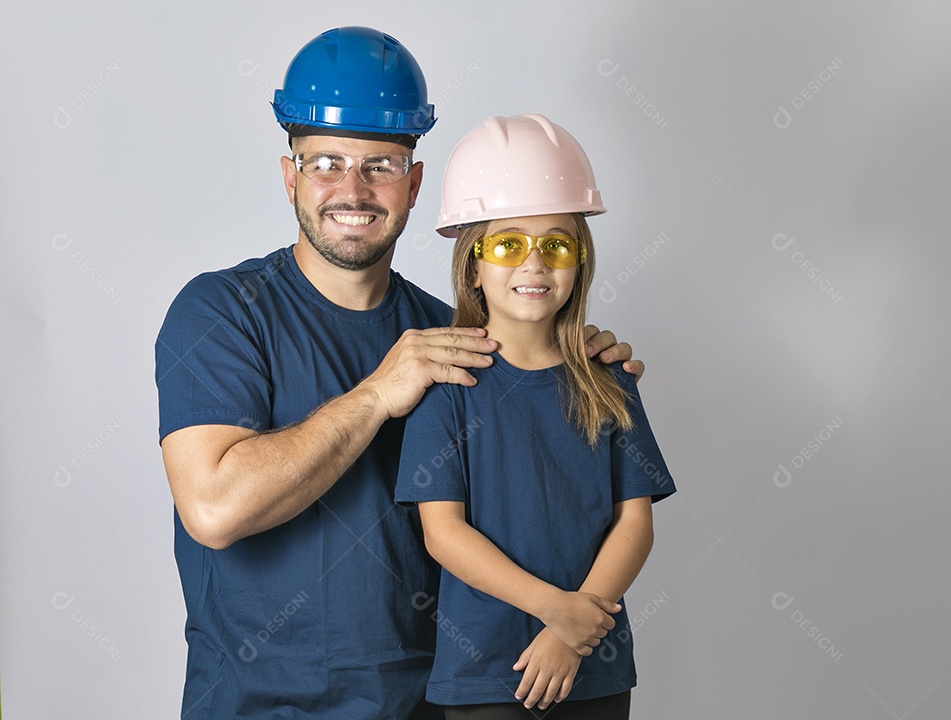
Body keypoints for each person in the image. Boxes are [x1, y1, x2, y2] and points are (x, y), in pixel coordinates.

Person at [154, 28, 639, 720]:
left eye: (379, 164)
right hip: (260, 706)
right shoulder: (222, 313)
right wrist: (380, 392)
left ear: (413, 183)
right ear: (289, 175)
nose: (353, 188)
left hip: (431, 705)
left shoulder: (461, 340)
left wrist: (574, 362)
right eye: (326, 161)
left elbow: (553, 499)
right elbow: (214, 508)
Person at [395, 114, 674, 720]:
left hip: (594, 669)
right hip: (487, 675)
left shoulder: (610, 384)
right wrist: (557, 610)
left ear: (579, 261)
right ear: (473, 264)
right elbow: (444, 532)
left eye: (556, 244)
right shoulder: (447, 388)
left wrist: (578, 626)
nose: (534, 263)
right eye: (508, 244)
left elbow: (635, 524)